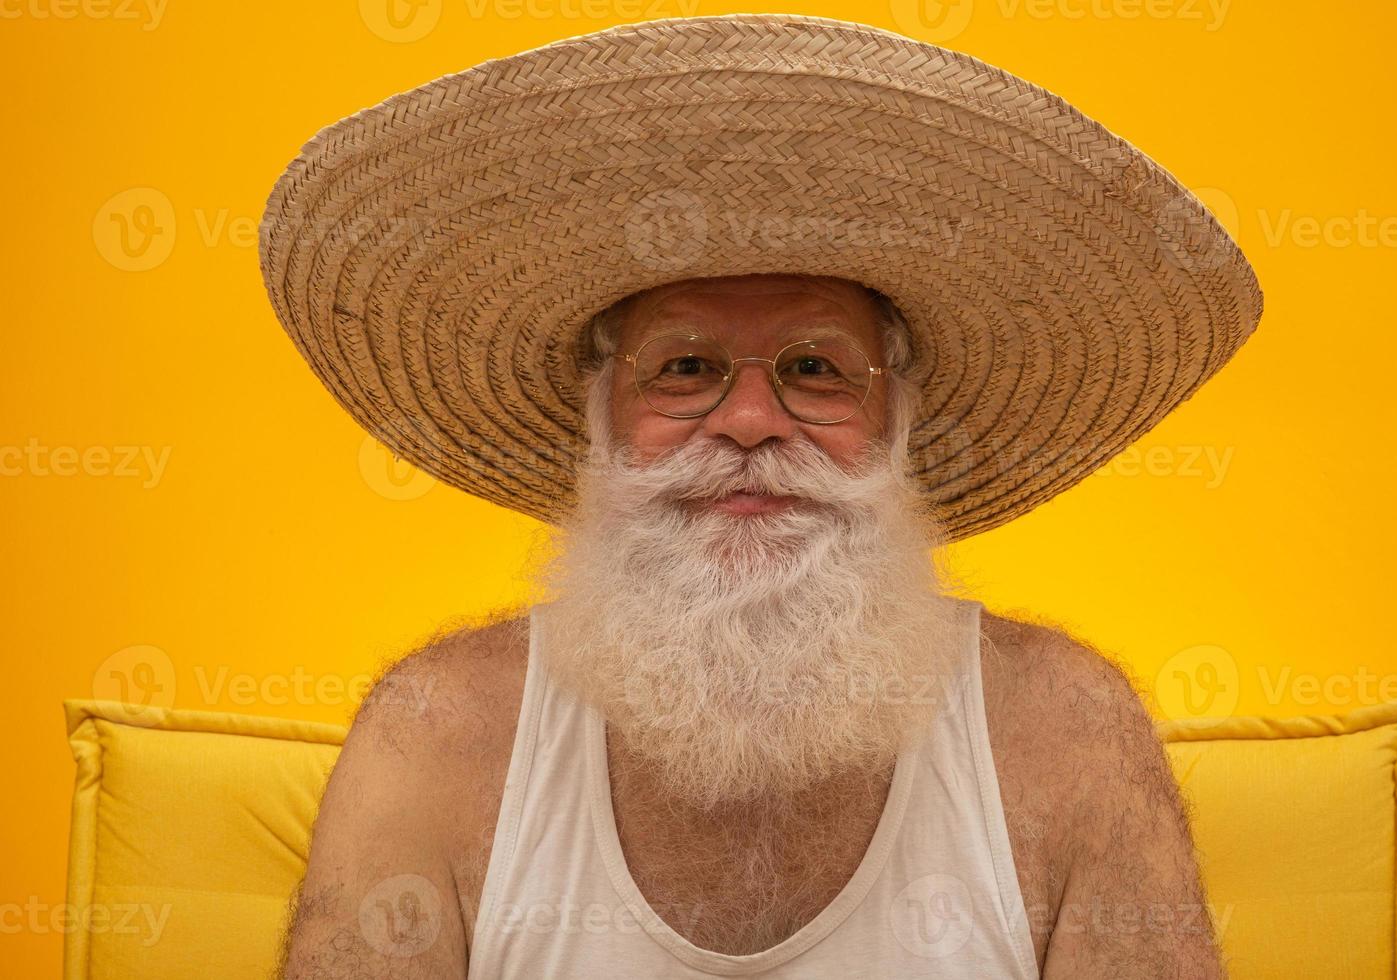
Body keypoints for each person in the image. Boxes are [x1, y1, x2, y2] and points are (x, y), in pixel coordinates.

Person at [258, 15, 1262, 979]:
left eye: (817, 368)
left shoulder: (1067, 729)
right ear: (599, 418)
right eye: (685, 366)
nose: (747, 419)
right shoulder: (432, 736)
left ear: (899, 426)